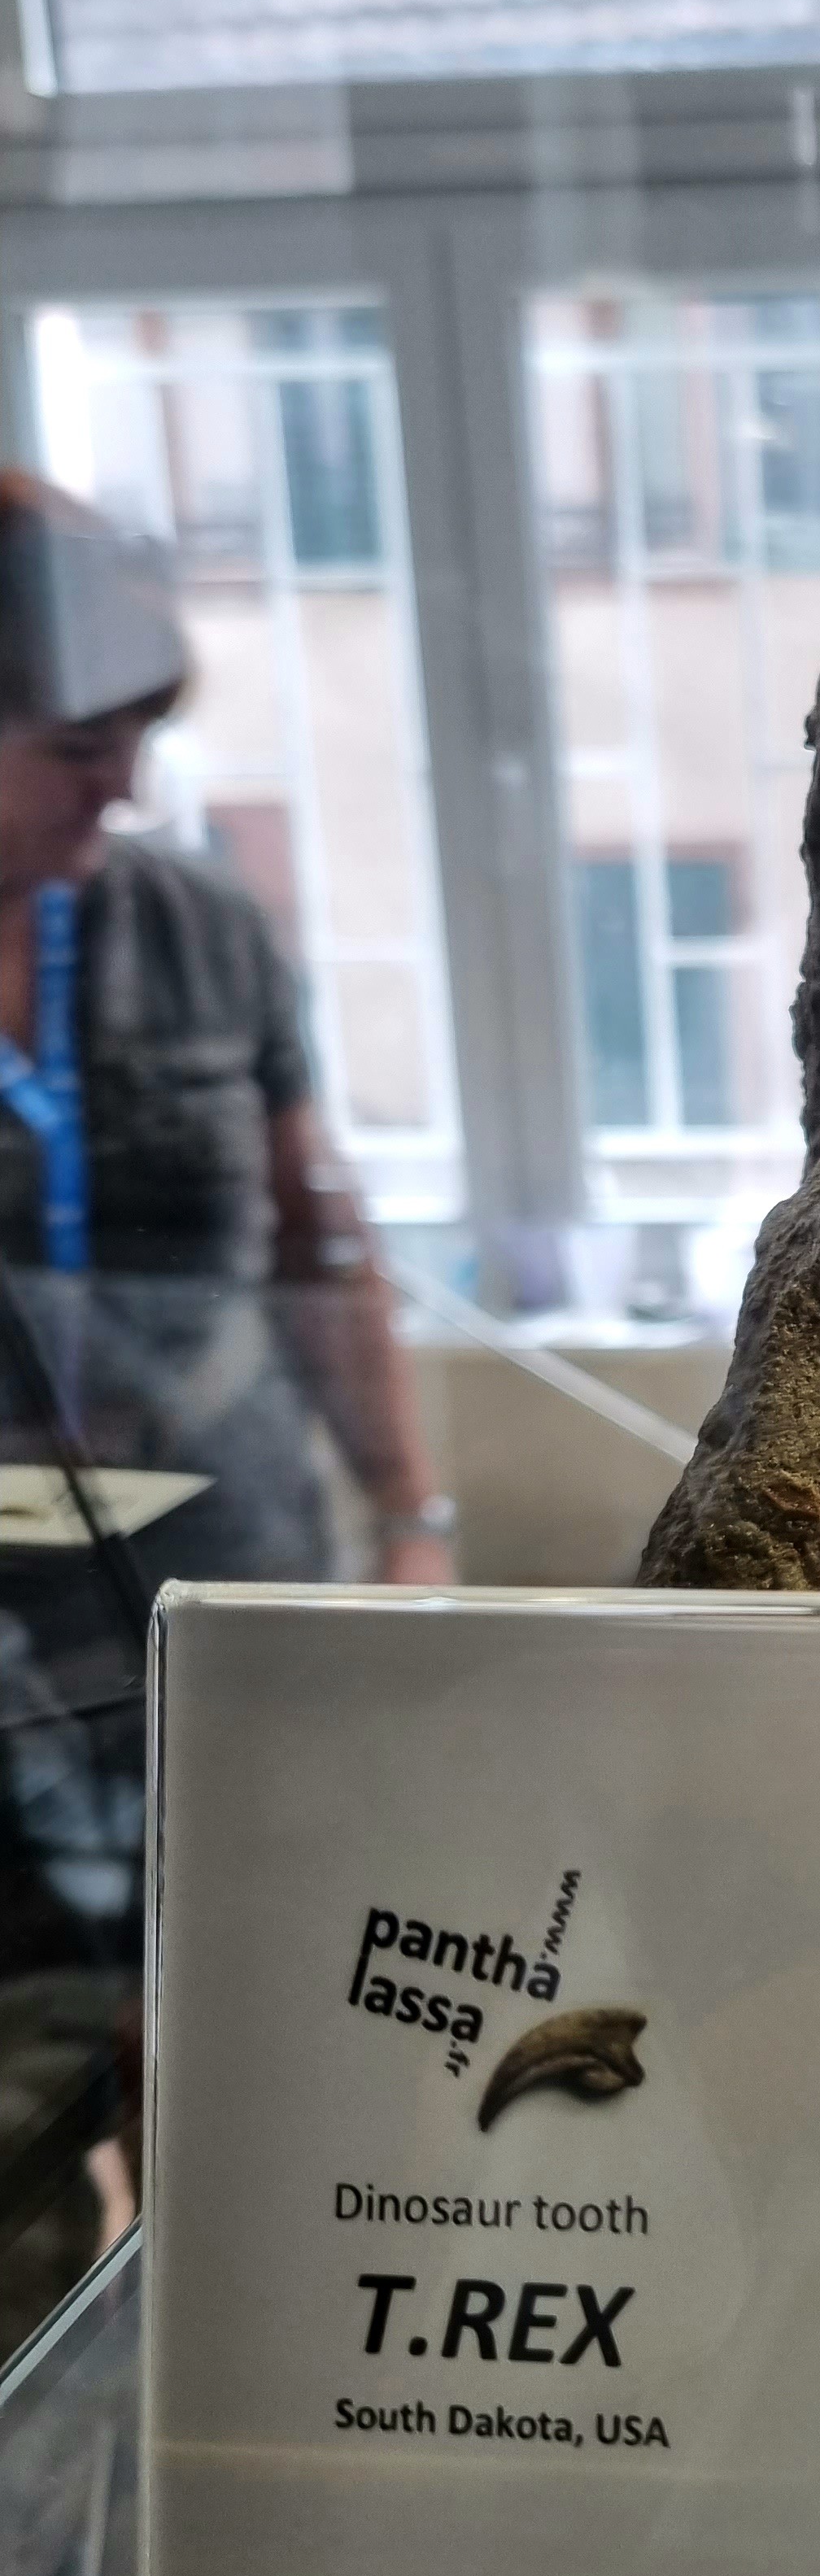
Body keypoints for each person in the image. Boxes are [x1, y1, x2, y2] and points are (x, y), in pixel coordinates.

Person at [0, 473, 452, 1951]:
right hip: (13, 1620)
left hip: (223, 1555)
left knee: (269, 1948)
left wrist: (411, 1520)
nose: (122, 787)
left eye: (139, 738)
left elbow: (319, 1235)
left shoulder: (193, 924)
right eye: (79, 747)